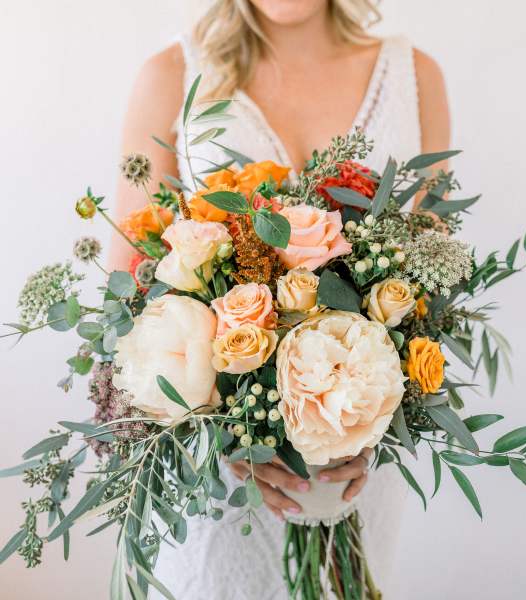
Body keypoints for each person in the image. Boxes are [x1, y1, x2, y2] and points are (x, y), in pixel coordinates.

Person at [112, 1, 450, 597]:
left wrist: (362, 421)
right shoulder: (168, 76)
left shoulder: (414, 77)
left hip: (357, 458)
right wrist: (230, 435)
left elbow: (432, 281)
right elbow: (129, 298)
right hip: (220, 481)